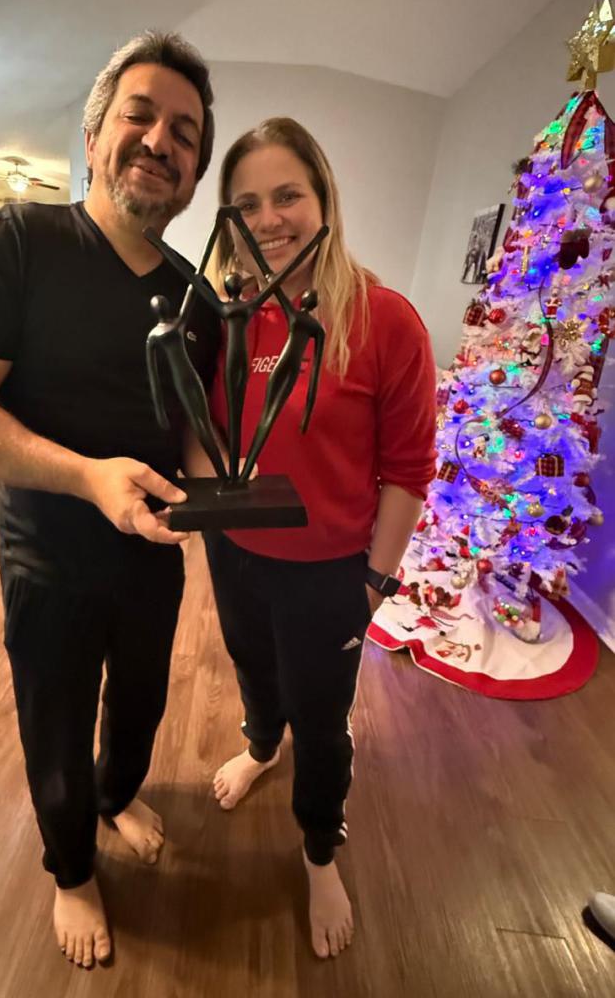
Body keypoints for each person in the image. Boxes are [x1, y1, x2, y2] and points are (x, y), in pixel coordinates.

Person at [0, 32, 219, 970]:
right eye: (140, 115)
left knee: (140, 708)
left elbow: (194, 436)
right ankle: (71, 868)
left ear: (194, 175)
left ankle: (116, 794)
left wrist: (225, 501)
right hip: (46, 556)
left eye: (185, 133)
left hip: (152, 556)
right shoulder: (17, 243)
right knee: (55, 723)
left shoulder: (199, 301)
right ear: (93, 137)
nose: (159, 141)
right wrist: (88, 475)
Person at [189, 117, 437, 959]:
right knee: (253, 669)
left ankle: (319, 851)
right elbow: (197, 429)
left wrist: (373, 585)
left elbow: (409, 470)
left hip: (332, 572)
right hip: (235, 555)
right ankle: (262, 746)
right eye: (247, 203)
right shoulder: (222, 318)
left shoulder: (386, 321)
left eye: (287, 195)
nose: (268, 219)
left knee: (323, 719)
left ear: (324, 199)